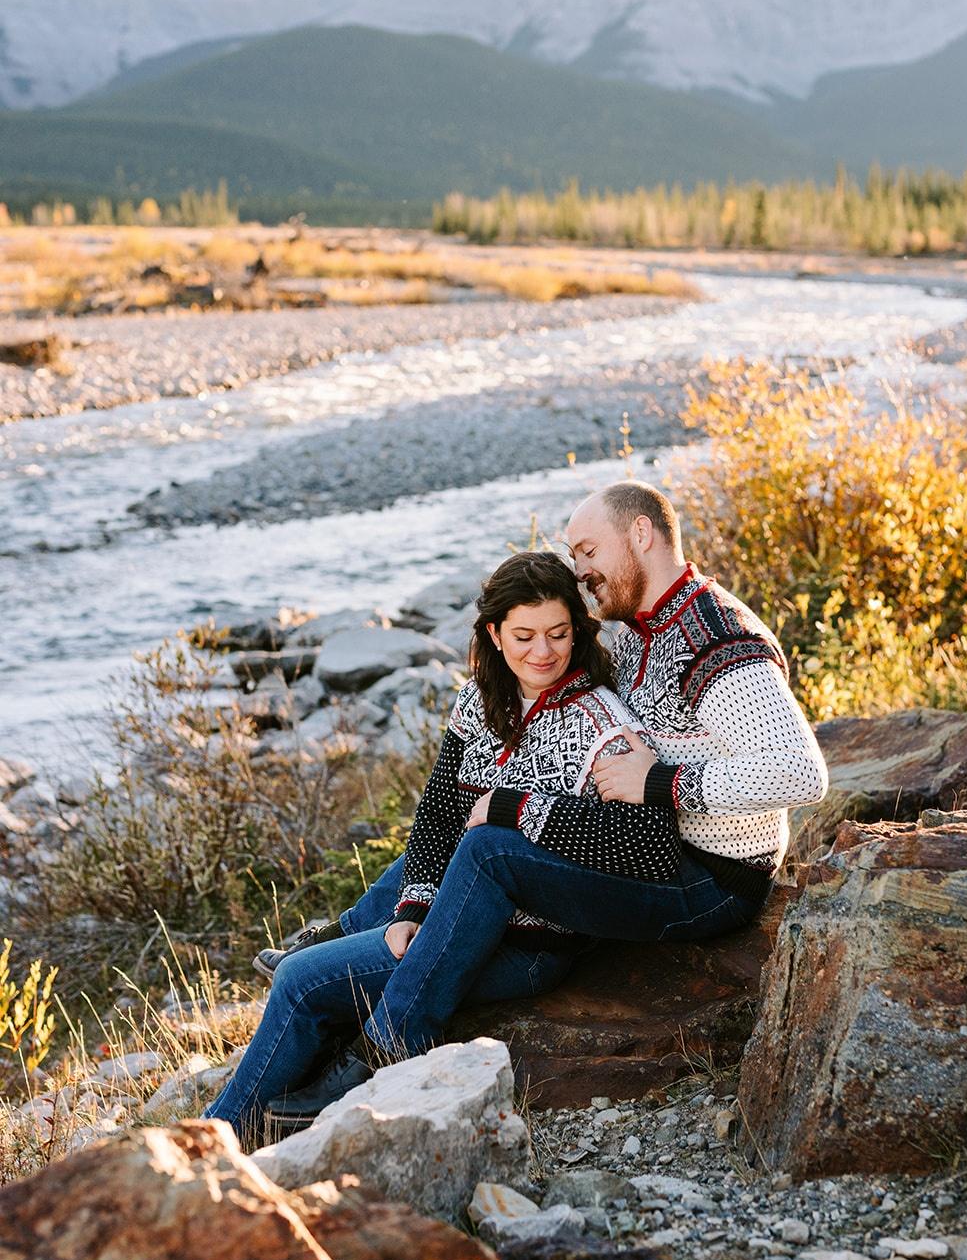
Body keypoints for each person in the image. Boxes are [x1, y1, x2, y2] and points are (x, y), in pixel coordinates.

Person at [340, 481, 829, 1066]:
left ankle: (382, 1044)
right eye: (575, 557)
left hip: (708, 878)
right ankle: (339, 943)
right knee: (456, 823)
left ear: (640, 534)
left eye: (589, 551)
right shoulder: (642, 627)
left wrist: (665, 782)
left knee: (490, 847)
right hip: (650, 841)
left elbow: (801, 773)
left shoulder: (717, 640)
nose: (581, 571)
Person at [206, 549, 680, 1146]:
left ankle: (209, 1148)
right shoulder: (480, 701)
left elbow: (644, 847)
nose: (543, 653)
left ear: (577, 632)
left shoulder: (601, 724)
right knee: (321, 971)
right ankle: (236, 1141)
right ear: (494, 634)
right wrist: (411, 909)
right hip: (456, 915)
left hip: (527, 943)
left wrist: (527, 815)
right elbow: (437, 817)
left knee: (301, 982)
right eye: (525, 636)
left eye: (559, 634)